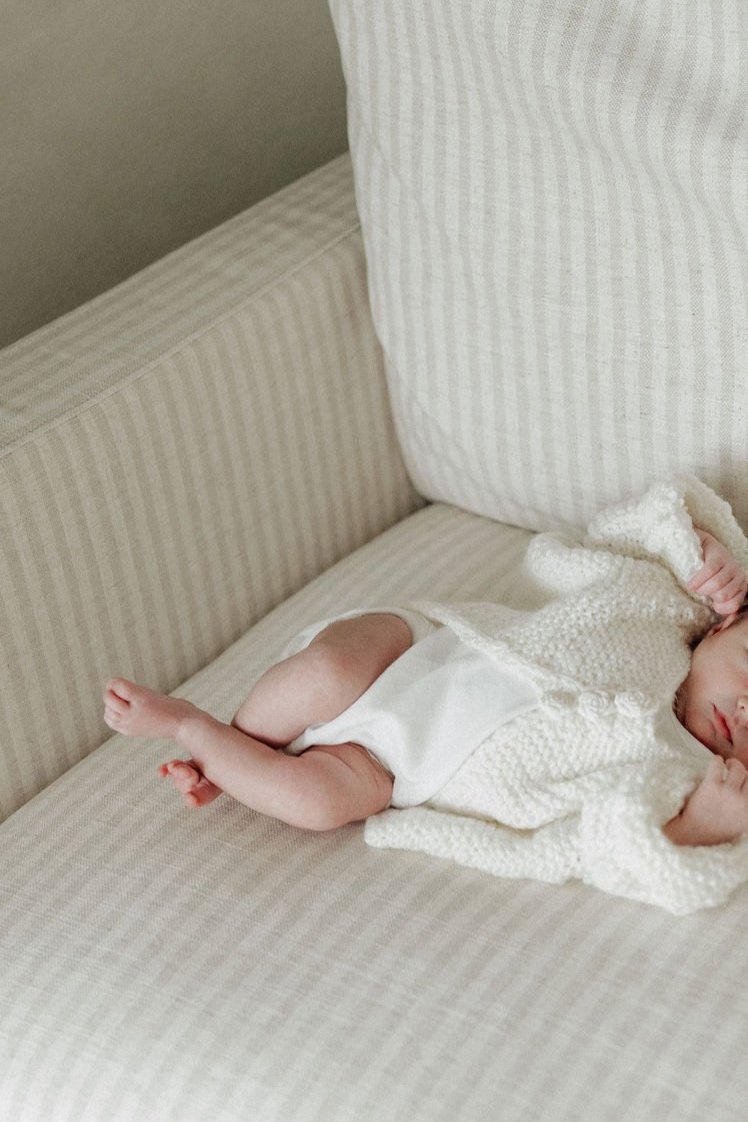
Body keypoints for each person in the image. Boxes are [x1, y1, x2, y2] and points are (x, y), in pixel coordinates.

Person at [103, 474, 748, 913]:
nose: (745, 710)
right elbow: (622, 535)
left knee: (320, 802)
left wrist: (700, 829)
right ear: (728, 623)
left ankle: (197, 734)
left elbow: (610, 848)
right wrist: (700, 558)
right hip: (414, 654)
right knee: (324, 671)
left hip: (390, 766)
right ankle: (242, 745)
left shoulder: (688, 776)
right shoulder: (660, 604)